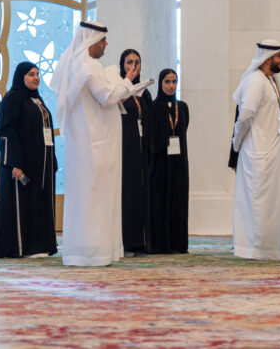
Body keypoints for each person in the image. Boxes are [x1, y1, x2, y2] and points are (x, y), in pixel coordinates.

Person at [54, 20, 151, 267]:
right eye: (103, 41)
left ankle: (83, 251)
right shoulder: (90, 66)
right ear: (91, 42)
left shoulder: (76, 64)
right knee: (95, 197)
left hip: (86, 144)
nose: (106, 45)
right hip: (95, 143)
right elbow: (108, 96)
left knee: (86, 196)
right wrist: (128, 81)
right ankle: (94, 252)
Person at [0, 61, 58, 258]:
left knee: (39, 202)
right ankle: (26, 247)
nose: (36, 78)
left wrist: (52, 160)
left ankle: (41, 244)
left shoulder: (37, 100)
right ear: (21, 77)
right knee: (27, 202)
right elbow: (7, 132)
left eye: (37, 74)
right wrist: (15, 162)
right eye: (31, 74)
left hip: (41, 163)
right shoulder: (12, 99)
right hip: (23, 164)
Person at [231, 40, 280, 260]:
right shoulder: (255, 80)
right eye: (279, 56)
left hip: (272, 152)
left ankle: (269, 248)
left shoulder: (270, 80)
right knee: (257, 202)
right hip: (257, 152)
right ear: (267, 58)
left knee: (271, 203)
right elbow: (245, 115)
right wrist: (236, 143)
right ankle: (253, 249)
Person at [109, 48, 151, 255]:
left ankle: (142, 240)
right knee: (128, 192)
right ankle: (126, 241)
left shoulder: (144, 92)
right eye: (129, 62)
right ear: (122, 65)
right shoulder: (119, 89)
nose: (133, 66)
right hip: (125, 147)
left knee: (143, 192)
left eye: (137, 62)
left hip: (142, 147)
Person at [149, 68, 190, 254]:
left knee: (178, 200)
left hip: (178, 162)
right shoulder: (153, 107)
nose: (171, 86)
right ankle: (161, 243)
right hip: (161, 163)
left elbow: (183, 128)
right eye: (167, 82)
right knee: (161, 199)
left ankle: (177, 243)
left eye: (174, 82)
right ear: (160, 83)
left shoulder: (182, 108)